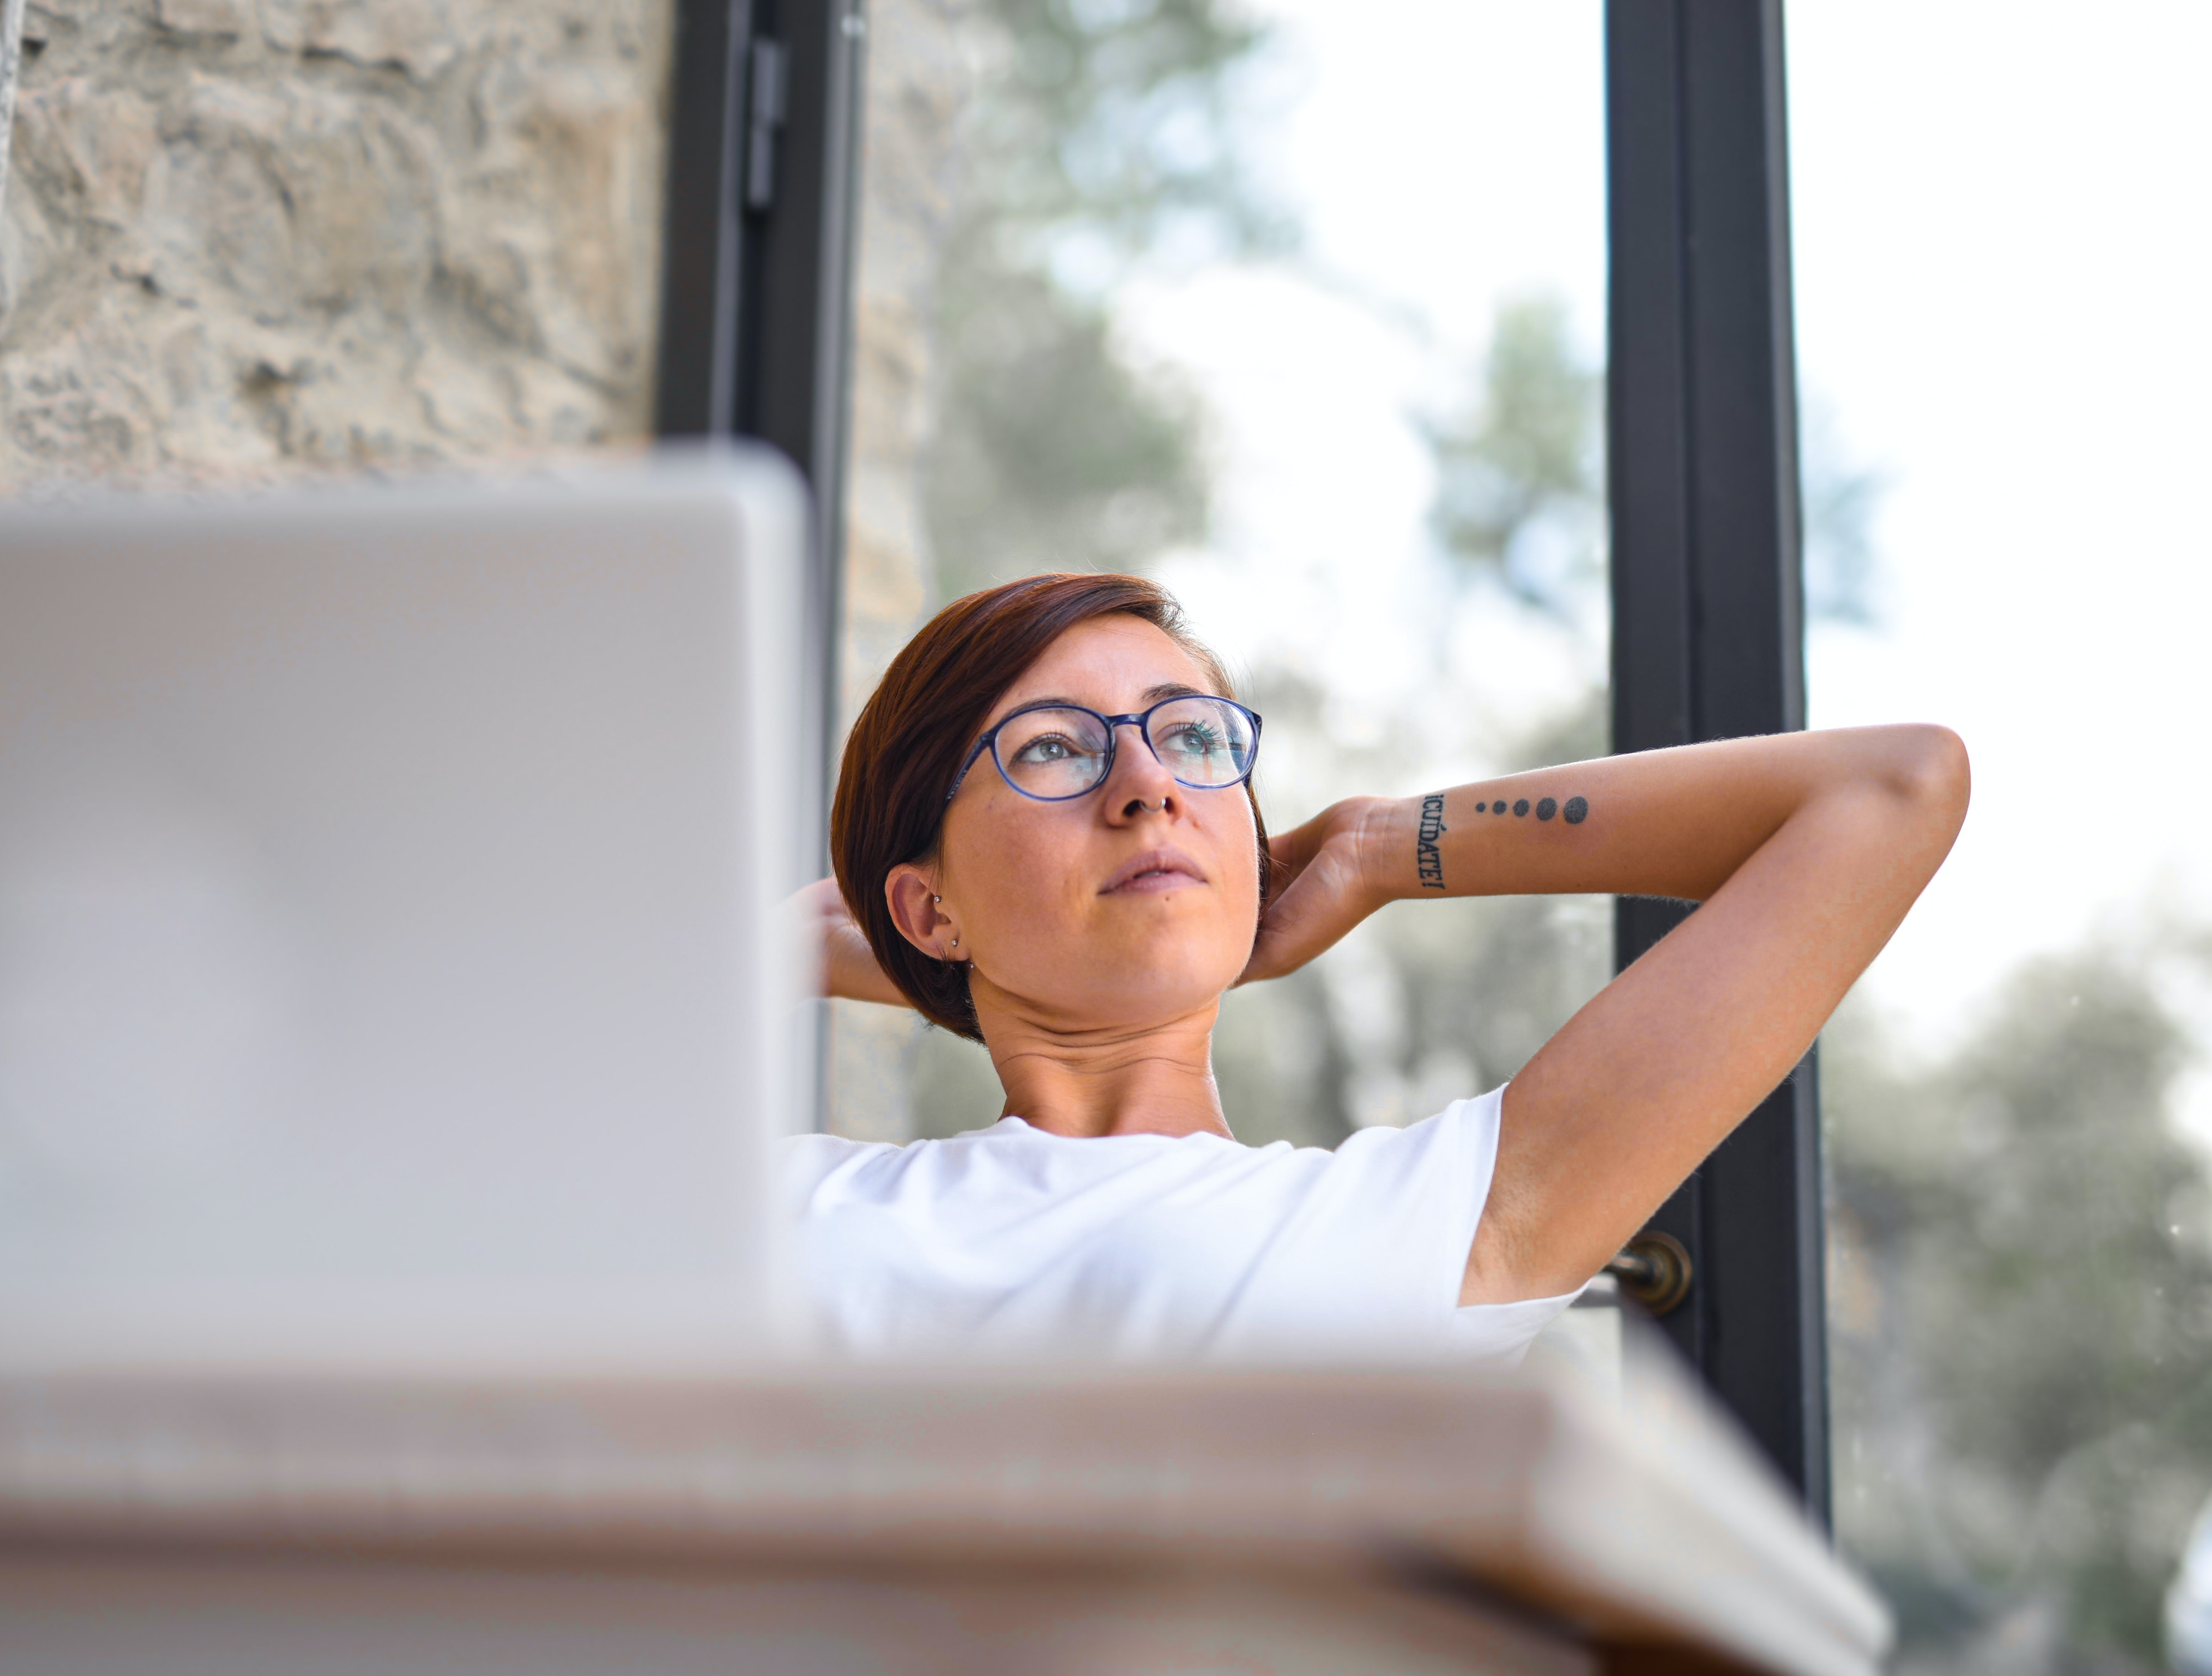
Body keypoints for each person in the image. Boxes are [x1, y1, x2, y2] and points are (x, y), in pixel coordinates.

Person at [785, 572, 1968, 1364]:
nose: (1146, 784)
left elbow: (1890, 790)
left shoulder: (1418, 1222)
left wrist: (1374, 846)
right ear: (925, 907)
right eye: (1054, 747)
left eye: (1192, 736)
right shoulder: (792, 1200)